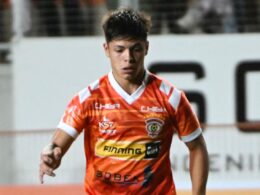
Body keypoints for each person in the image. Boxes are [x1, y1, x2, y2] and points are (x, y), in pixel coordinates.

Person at [39, 8, 209, 195]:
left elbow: (197, 147)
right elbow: (56, 145)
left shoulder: (171, 98)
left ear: (146, 47)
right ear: (107, 49)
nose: (128, 58)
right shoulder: (88, 99)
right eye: (119, 50)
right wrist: (51, 155)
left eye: (135, 49)